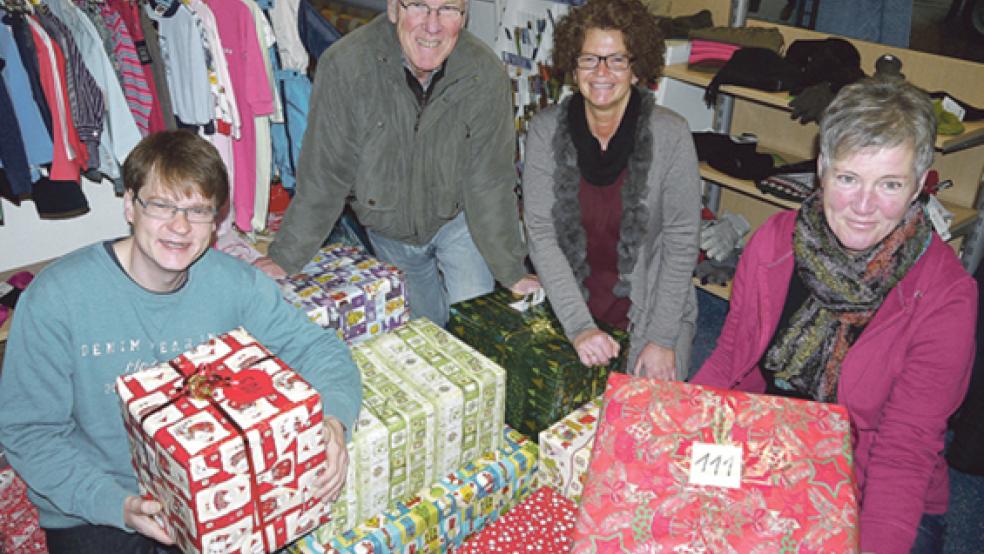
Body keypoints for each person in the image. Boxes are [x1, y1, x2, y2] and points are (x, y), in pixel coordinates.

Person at [0, 130, 363, 553]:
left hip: (215, 488)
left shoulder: (236, 283)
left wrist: (333, 422)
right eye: (162, 205)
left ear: (215, 223)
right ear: (129, 205)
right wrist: (118, 505)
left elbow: (319, 349)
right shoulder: (57, 297)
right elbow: (29, 432)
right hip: (100, 504)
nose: (179, 226)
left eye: (197, 210)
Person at [691, 78, 977, 553]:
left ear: (919, 183)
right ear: (822, 168)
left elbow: (903, 454)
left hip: (869, 483)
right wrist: (680, 433)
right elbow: (730, 358)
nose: (863, 207)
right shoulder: (775, 242)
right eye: (848, 178)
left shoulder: (946, 297)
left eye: (889, 183)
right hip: (771, 439)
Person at [254, 0, 539, 327]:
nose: (432, 25)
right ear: (393, 9)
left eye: (448, 10)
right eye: (418, 5)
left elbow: (491, 180)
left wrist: (512, 271)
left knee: (474, 326)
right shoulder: (346, 66)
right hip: (390, 232)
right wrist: (285, 256)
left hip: (461, 220)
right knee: (427, 330)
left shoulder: (483, 72)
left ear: (465, 16)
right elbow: (326, 175)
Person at [522, 0, 701, 380]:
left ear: (636, 69)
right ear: (574, 67)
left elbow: (682, 239)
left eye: (616, 59)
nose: (602, 72)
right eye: (590, 59)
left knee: (648, 418)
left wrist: (662, 338)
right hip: (571, 303)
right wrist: (578, 326)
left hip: (653, 309)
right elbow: (540, 233)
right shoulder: (544, 130)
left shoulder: (671, 133)